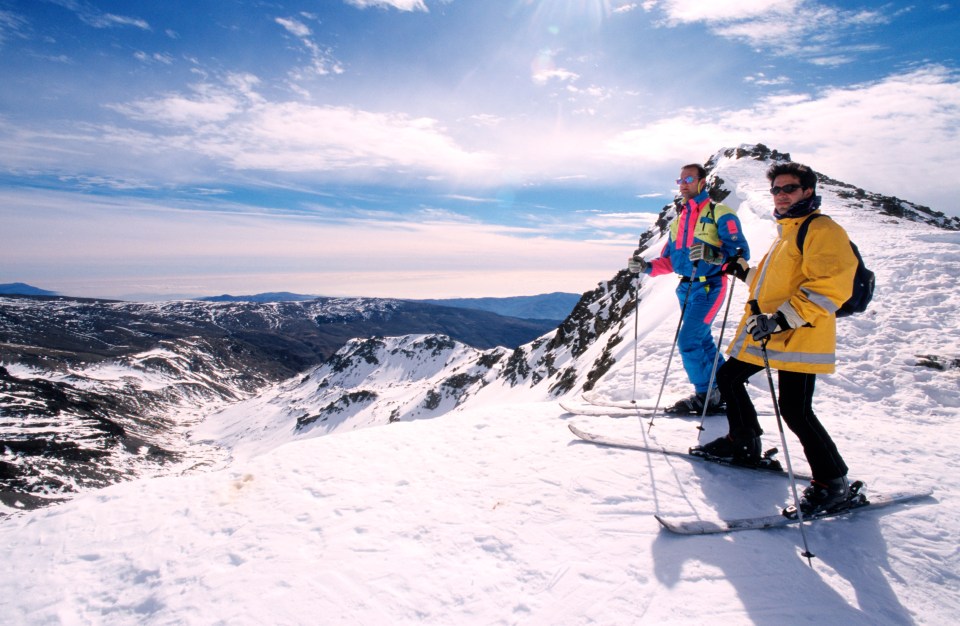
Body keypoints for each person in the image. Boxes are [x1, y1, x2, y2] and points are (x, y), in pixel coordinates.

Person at [692, 161, 856, 515]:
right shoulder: (788, 232)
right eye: (777, 190)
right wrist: (742, 271)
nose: (781, 195)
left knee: (796, 411)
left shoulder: (820, 229)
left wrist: (782, 319)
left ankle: (833, 483)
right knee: (729, 376)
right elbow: (774, 284)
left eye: (789, 189)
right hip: (770, 331)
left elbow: (830, 287)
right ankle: (743, 441)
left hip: (797, 334)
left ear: (807, 191)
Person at [628, 164, 750, 414]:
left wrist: (715, 256)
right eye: (680, 180)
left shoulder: (720, 213)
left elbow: (740, 253)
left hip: (710, 286)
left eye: (689, 178)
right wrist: (646, 266)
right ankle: (727, 388)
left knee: (689, 340)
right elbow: (671, 261)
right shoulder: (679, 222)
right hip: (686, 288)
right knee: (702, 339)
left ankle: (706, 395)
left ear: (703, 182)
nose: (683, 184)